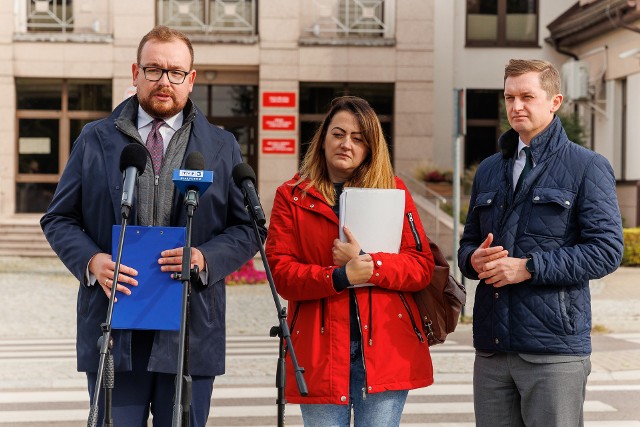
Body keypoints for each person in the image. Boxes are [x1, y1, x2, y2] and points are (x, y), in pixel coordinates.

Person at [41, 25, 265, 425]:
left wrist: (203, 257)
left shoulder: (220, 146)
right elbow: (58, 218)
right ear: (135, 73)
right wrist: (92, 261)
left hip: (189, 329)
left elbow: (249, 228)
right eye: (154, 69)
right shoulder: (95, 139)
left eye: (176, 72)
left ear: (190, 79)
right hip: (115, 324)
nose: (165, 81)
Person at [458, 59, 624, 427]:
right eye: (509, 97)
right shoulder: (488, 169)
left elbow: (608, 250)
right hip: (492, 348)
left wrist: (528, 267)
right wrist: (474, 260)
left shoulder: (587, 166)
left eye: (527, 96)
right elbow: (467, 243)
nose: (516, 106)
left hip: (554, 351)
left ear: (554, 101)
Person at [265, 96, 435, 426]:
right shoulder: (292, 195)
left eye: (358, 138)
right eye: (338, 134)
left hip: (385, 349)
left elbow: (421, 266)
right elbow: (281, 273)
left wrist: (370, 265)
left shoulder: (393, 191)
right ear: (323, 138)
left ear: (371, 147)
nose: (347, 144)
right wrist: (340, 276)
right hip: (317, 351)